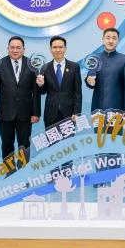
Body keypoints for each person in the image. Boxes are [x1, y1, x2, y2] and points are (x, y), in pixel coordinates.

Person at [85, 27, 125, 181]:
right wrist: (89, 81)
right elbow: (90, 81)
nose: (110, 40)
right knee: (99, 144)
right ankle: (99, 176)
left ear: (117, 40)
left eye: (114, 38)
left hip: (117, 110)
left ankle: (114, 176)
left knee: (115, 144)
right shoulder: (95, 59)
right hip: (98, 109)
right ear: (102, 40)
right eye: (108, 37)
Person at [0, 36, 41, 170]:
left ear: (23, 49)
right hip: (5, 112)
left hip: (25, 113)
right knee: (7, 144)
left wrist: (36, 113)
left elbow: (36, 91)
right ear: (8, 49)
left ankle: (23, 171)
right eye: (12, 47)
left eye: (18, 47)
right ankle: (9, 171)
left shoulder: (32, 64)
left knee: (24, 144)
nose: (15, 50)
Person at [36, 36, 82, 176]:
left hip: (69, 113)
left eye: (60, 47)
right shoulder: (45, 67)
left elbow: (77, 92)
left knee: (68, 145)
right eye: (55, 47)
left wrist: (76, 112)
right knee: (52, 145)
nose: (58, 50)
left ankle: (67, 173)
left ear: (65, 48)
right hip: (51, 112)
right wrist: (40, 84)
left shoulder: (74, 66)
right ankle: (54, 173)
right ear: (50, 50)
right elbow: (42, 92)